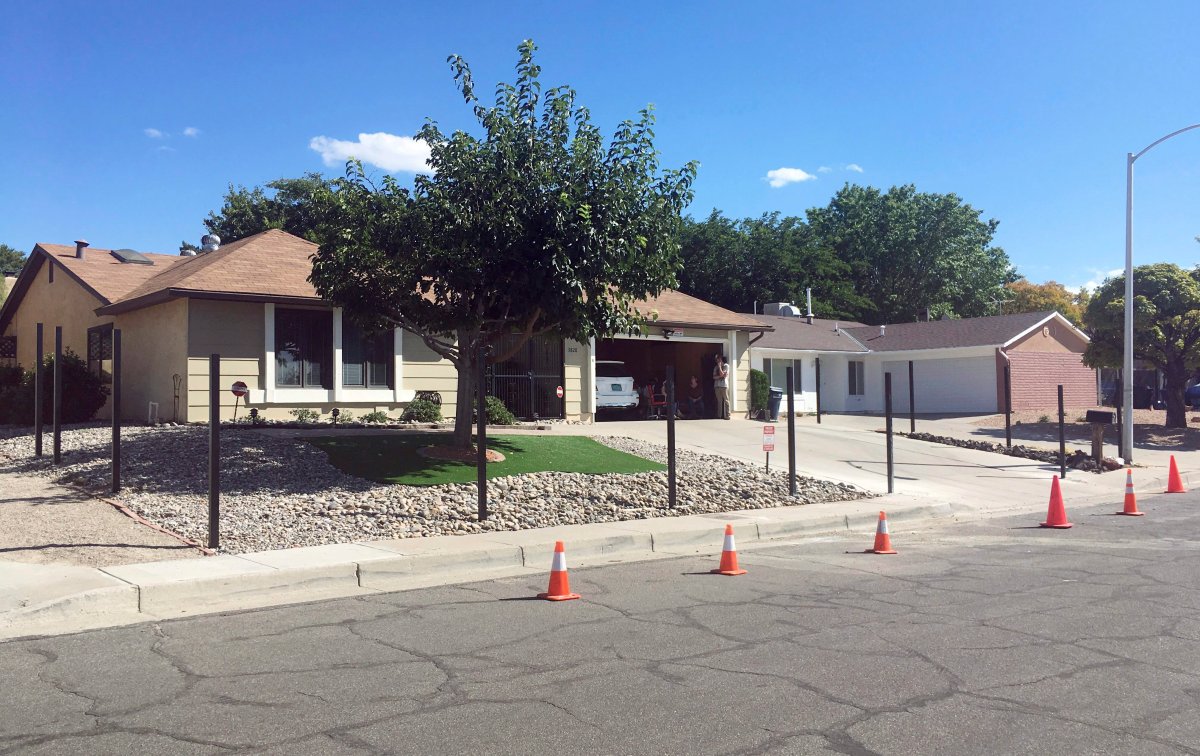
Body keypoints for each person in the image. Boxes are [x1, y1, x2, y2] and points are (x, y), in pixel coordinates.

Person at [713, 354, 730, 420]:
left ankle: (728, 415)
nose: (717, 360)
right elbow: (714, 377)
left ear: (721, 359)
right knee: (719, 401)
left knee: (726, 400)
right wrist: (721, 376)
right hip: (717, 386)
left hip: (724, 385)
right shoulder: (715, 367)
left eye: (718, 359)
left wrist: (720, 367)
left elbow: (723, 375)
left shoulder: (726, 366)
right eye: (716, 359)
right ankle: (719, 415)